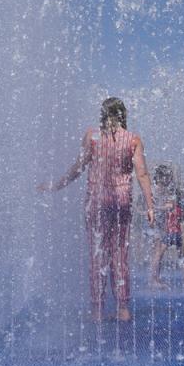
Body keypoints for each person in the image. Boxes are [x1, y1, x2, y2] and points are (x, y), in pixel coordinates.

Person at [39, 97, 156, 322]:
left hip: (97, 200)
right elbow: (142, 173)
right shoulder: (133, 140)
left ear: (103, 113)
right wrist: (150, 205)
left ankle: (98, 310)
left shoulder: (92, 137)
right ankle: (123, 308)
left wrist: (56, 185)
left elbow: (79, 167)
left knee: (97, 253)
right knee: (120, 252)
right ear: (123, 114)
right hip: (122, 201)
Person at [150, 164, 184, 289]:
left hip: (159, 223)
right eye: (167, 177)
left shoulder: (155, 189)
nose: (169, 180)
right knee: (158, 252)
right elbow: (169, 206)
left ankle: (155, 278)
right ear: (161, 177)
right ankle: (154, 280)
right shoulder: (157, 190)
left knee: (157, 252)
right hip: (157, 224)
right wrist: (158, 209)